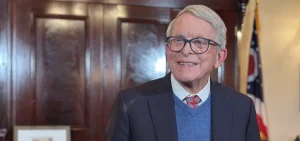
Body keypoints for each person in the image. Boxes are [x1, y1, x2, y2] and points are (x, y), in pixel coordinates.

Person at [105, 5, 260, 141]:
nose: (186, 50)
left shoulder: (242, 107)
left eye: (199, 42)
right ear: (167, 49)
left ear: (219, 57)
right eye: (178, 40)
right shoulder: (131, 104)